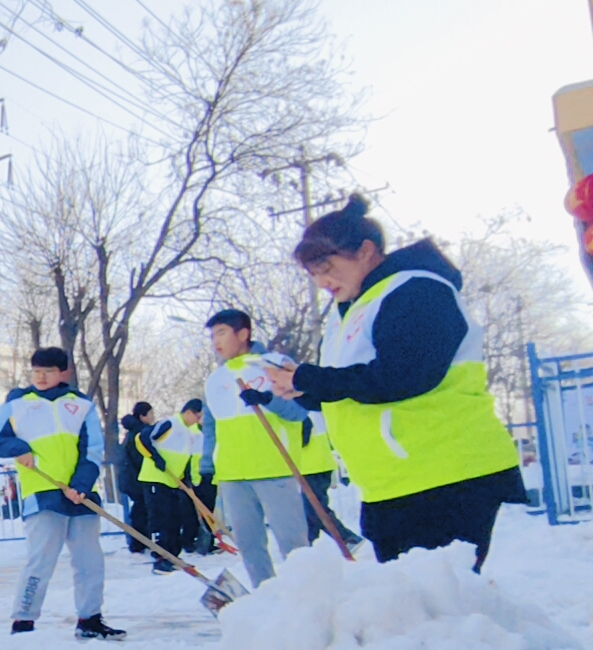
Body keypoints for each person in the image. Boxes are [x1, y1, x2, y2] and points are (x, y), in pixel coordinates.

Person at [264, 196, 523, 568]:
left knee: (442, 599)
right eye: (313, 274)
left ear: (366, 251)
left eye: (327, 268)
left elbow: (405, 375)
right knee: (412, 600)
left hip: (450, 477)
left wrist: (314, 378)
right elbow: (353, 387)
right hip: (392, 484)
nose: (322, 282)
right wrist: (305, 389)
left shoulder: (416, 289)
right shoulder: (347, 313)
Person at [0, 347, 125, 640]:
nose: (41, 377)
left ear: (63, 373)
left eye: (48, 371)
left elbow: (92, 450)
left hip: (80, 495)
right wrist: (19, 449)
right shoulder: (17, 404)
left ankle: (90, 619)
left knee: (89, 561)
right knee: (40, 561)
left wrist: (81, 485)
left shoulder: (82, 405)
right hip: (42, 493)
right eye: (36, 371)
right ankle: (23, 621)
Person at [200, 310, 309, 587]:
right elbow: (211, 428)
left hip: (274, 467)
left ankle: (306, 595)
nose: (215, 342)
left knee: (292, 543)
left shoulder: (274, 364)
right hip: (233, 474)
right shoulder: (216, 379)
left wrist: (267, 399)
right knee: (249, 545)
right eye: (212, 336)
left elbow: (299, 412)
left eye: (221, 333)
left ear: (243, 334)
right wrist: (207, 466)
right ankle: (265, 595)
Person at [137, 399, 205, 573]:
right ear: (188, 412)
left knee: (175, 519)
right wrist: (155, 458)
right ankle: (161, 557)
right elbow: (142, 438)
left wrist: (186, 480)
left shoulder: (188, 432)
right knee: (162, 519)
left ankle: (173, 555)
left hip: (172, 482)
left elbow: (184, 459)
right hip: (155, 478)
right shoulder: (170, 424)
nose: (198, 420)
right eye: (197, 416)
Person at [295, 411, 361, 547]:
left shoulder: (298, 411)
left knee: (315, 509)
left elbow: (302, 438)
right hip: (315, 465)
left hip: (313, 466)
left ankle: (347, 539)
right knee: (310, 511)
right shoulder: (306, 408)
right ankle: (306, 546)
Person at [117, 403, 156, 553]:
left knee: (141, 509)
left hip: (131, 477)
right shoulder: (140, 433)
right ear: (142, 416)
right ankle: (139, 542)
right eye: (150, 414)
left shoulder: (133, 432)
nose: (152, 417)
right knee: (142, 509)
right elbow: (140, 457)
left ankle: (140, 541)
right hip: (137, 478)